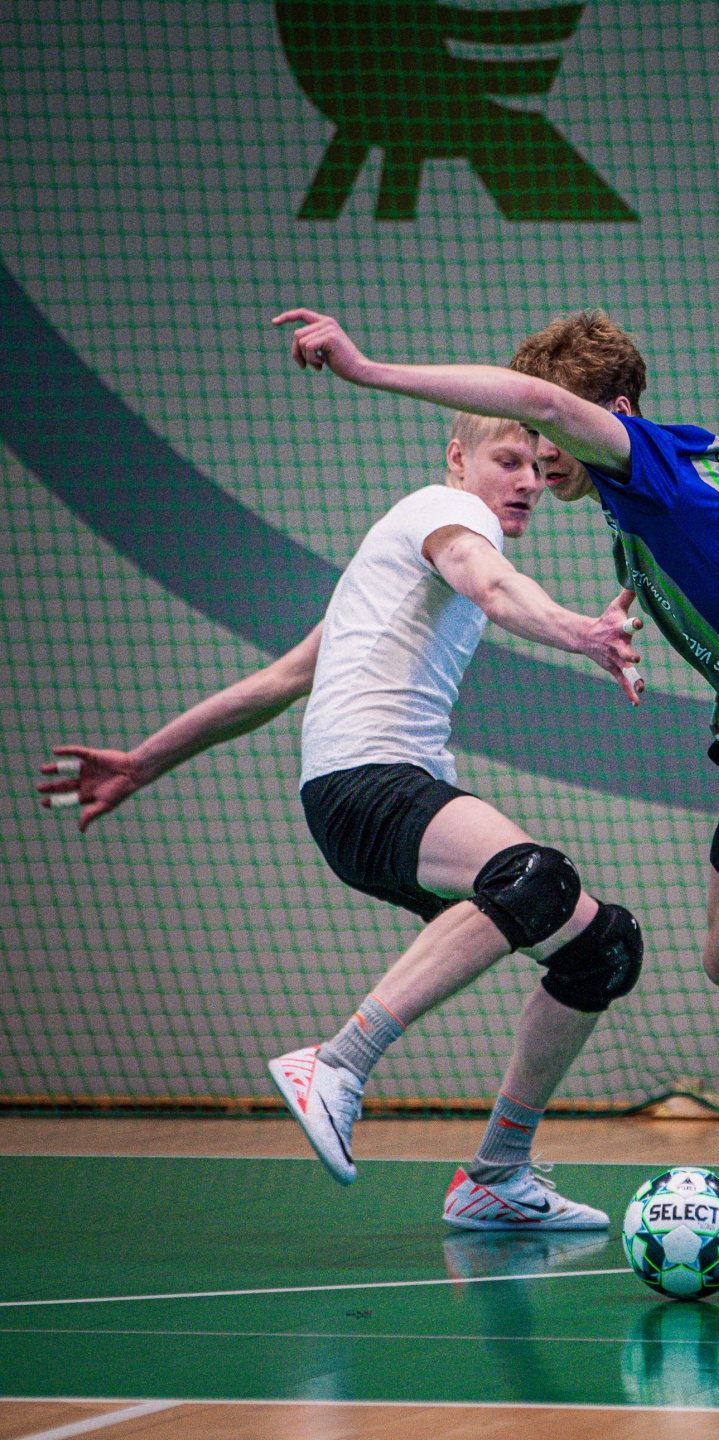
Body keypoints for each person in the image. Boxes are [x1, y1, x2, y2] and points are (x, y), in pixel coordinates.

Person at [270, 305, 719, 1271]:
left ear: (613, 413)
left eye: (550, 428)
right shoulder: (692, 466)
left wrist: (369, 370)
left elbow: (539, 403)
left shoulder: (643, 462)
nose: (539, 452)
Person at [39, 409, 647, 1232]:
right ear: (457, 458)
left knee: (600, 947)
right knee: (537, 878)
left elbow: (279, 681)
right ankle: (338, 1062)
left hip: (361, 801)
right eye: (509, 460)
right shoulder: (449, 514)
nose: (530, 482)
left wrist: (144, 762)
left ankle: (497, 1175)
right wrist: (583, 632)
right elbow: (491, 584)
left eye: (539, 467)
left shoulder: (391, 570)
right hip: (369, 783)